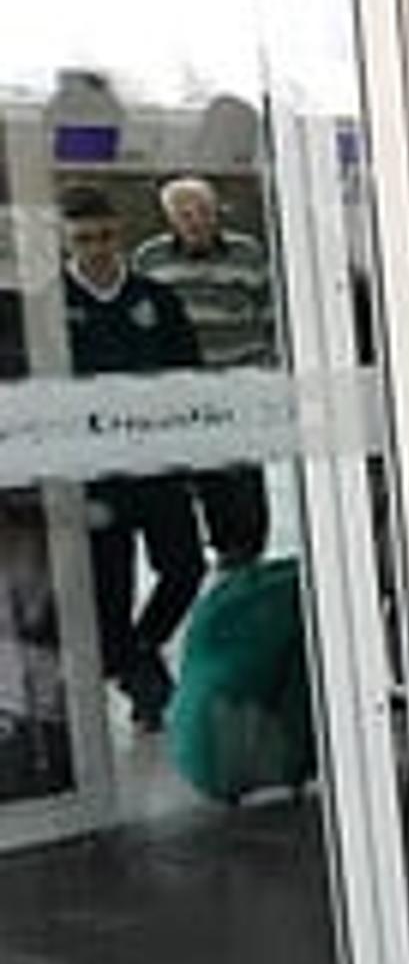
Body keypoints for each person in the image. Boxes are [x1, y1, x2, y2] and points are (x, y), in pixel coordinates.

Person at [55, 183, 207, 731]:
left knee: (186, 568)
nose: (96, 247)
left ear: (120, 232)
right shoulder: (49, 309)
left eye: (105, 235)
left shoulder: (157, 300)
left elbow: (190, 378)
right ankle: (145, 689)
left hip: (157, 465)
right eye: (83, 238)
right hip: (95, 478)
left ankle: (140, 655)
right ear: (65, 238)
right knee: (109, 593)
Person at [131, 176, 277, 568]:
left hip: (239, 379)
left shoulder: (247, 253)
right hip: (185, 386)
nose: (195, 220)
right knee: (207, 470)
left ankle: (249, 551)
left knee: (244, 471)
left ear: (217, 212)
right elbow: (141, 319)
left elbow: (270, 315)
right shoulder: (150, 258)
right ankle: (225, 549)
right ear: (170, 219)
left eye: (202, 211)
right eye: (184, 214)